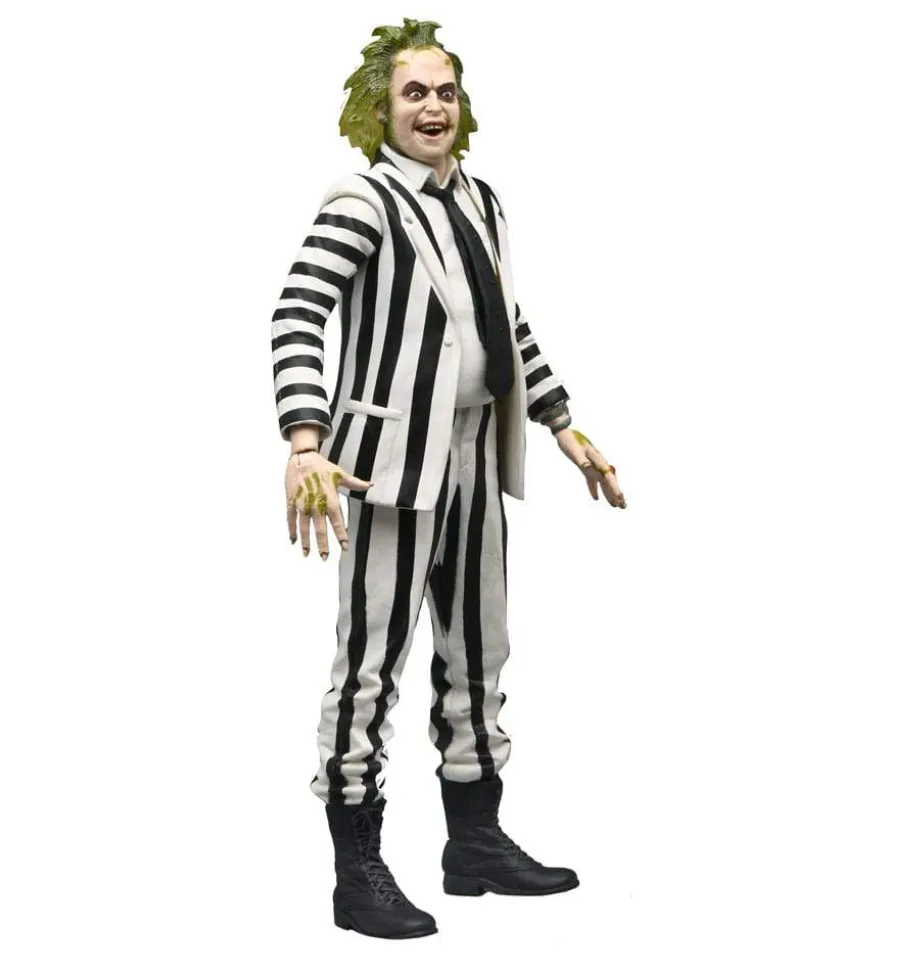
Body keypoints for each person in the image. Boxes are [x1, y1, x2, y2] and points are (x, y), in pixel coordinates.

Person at [270, 18, 626, 939]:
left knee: (478, 650)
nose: (433, 107)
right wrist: (306, 440)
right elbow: (298, 310)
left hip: (475, 456)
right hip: (384, 470)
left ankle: (474, 841)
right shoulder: (365, 200)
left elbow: (506, 323)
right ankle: (356, 870)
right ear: (378, 109)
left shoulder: (480, 199)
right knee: (370, 665)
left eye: (445, 91)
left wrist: (560, 421)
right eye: (413, 93)